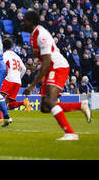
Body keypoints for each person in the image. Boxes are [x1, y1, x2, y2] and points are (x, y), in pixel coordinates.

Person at [22, 10, 91, 141]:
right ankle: (80, 105)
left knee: (49, 101)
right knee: (44, 107)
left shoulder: (42, 35)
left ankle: (71, 133)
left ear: (31, 22)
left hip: (58, 66)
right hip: (50, 68)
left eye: (24, 20)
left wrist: (33, 85)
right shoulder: (33, 34)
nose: (22, 22)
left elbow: (47, 62)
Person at [0, 38, 31, 121]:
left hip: (9, 79)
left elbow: (0, 66)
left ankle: (1, 118)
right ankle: (23, 102)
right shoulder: (16, 56)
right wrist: (19, 77)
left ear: (3, 47)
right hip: (18, 81)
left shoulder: (5, 55)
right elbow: (24, 69)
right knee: (7, 103)